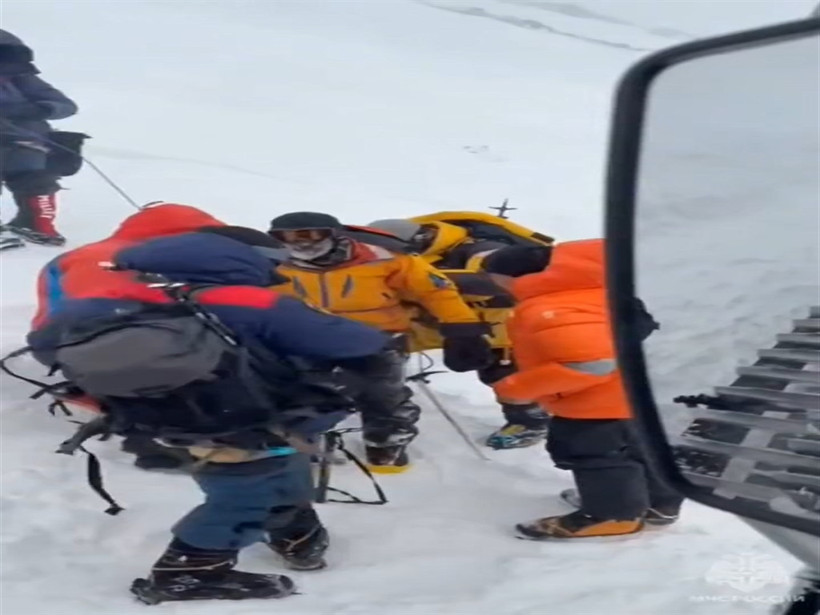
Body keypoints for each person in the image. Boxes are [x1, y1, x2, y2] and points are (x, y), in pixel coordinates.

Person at [27, 230, 391, 603]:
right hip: (249, 418)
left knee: (262, 475)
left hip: (160, 420)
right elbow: (362, 342)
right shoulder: (250, 301)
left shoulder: (100, 305)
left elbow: (43, 347)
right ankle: (187, 570)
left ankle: (293, 530)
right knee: (245, 496)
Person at [482, 240, 683, 539]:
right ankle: (657, 506)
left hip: (599, 404)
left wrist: (517, 387)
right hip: (639, 398)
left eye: (494, 279)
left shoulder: (552, 306)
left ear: (515, 276)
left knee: (596, 454)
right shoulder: (597, 293)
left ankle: (613, 515)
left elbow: (593, 363)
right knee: (643, 451)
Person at [268, 211, 494, 471]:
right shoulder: (273, 263)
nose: (299, 243)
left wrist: (462, 327)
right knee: (297, 392)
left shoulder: (385, 258)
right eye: (285, 237)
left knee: (382, 393)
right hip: (306, 337)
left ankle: (385, 445)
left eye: (308, 234)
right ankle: (297, 446)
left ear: (333, 234)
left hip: (378, 336)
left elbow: (435, 291)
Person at [32, 201, 228, 469]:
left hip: (55, 344)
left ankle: (107, 394)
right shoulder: (178, 257)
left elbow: (50, 307)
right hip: (140, 344)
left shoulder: (70, 257)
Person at [367, 215, 552, 449]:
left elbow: (494, 282)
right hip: (437, 322)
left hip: (496, 327)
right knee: (382, 352)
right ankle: (380, 400)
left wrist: (422, 283)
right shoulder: (414, 252)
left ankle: (530, 421)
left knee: (502, 375)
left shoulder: (482, 249)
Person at [0, 29, 78, 246]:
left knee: (34, 177)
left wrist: (40, 110)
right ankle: (36, 223)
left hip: (28, 140)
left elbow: (66, 105)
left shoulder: (21, 78)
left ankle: (38, 224)